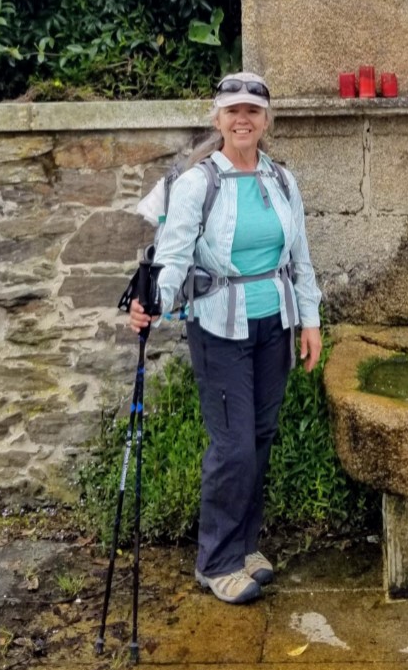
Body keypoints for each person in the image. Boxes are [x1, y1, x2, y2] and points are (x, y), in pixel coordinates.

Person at [127, 72, 323, 605]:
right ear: (218, 119)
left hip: (272, 325)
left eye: (253, 111)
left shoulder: (282, 180)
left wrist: (311, 322)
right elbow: (173, 255)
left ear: (265, 121)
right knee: (233, 446)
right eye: (233, 111)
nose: (243, 119)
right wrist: (155, 305)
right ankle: (215, 562)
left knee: (259, 438)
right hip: (218, 327)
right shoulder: (198, 183)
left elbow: (300, 258)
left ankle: (243, 546)